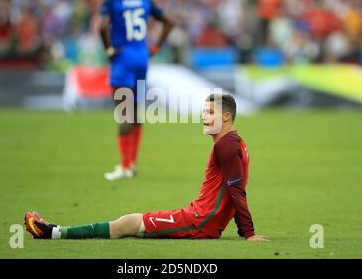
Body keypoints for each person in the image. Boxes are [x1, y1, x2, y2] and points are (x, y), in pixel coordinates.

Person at [25, 94, 268, 241]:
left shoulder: (225, 146)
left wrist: (248, 233)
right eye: (204, 111)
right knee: (130, 222)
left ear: (226, 117)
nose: (203, 117)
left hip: (198, 221)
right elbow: (234, 189)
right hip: (201, 217)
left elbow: (236, 191)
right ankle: (55, 231)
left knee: (127, 223)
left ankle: (53, 233)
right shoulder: (235, 143)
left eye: (210, 112)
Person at [100, 0, 174, 181]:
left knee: (124, 113)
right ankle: (131, 163)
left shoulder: (112, 0)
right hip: (142, 57)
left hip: (123, 58)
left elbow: (102, 27)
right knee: (135, 111)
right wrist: (157, 47)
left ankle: (124, 167)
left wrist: (109, 49)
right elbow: (169, 22)